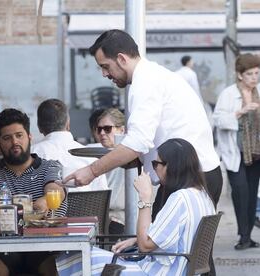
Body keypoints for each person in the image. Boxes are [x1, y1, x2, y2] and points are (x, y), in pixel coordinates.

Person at [64, 29, 222, 210]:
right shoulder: (151, 75)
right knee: (151, 236)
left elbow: (138, 142)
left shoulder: (146, 82)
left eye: (105, 66)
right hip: (192, 176)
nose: (104, 74)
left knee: (150, 238)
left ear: (122, 59)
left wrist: (91, 171)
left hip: (191, 179)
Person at [56, 138, 216, 276]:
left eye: (156, 164)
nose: (154, 168)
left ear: (171, 167)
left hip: (157, 272)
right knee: (87, 256)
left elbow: (145, 245)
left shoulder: (180, 198)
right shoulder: (202, 195)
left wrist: (145, 198)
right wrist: (135, 240)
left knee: (78, 257)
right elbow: (171, 238)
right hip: (178, 269)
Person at [0, 108, 67, 276]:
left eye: (19, 135)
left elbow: (55, 189)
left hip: (45, 246)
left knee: (58, 267)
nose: (14, 142)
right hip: (0, 247)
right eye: (7, 138)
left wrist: (45, 201)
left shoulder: (50, 166)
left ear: (29, 136)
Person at [212, 53, 260, 250]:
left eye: (257, 73)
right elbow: (218, 120)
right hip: (236, 154)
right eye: (249, 74)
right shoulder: (229, 94)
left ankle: (247, 236)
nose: (254, 77)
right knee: (240, 193)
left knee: (251, 195)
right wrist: (240, 112)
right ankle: (243, 235)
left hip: (256, 153)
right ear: (240, 75)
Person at [31, 98, 108, 192]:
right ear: (68, 124)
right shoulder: (91, 158)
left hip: (47, 206)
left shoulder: (31, 155)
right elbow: (102, 198)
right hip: (86, 206)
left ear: (39, 127)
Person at [95, 108, 126, 234]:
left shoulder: (130, 157)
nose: (102, 133)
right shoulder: (93, 155)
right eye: (99, 129)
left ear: (121, 130)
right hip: (102, 220)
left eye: (107, 129)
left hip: (121, 222)